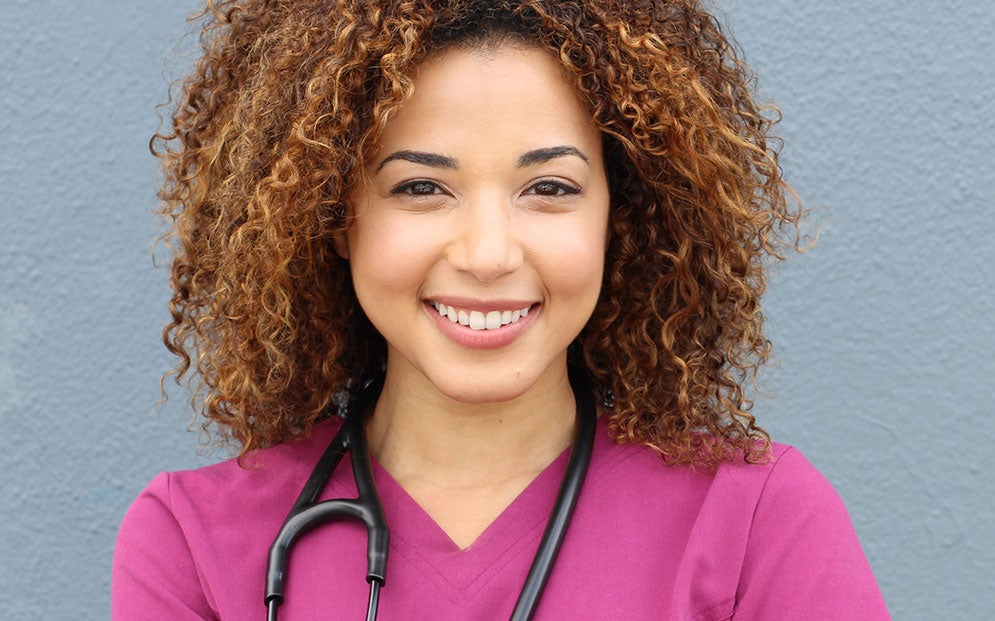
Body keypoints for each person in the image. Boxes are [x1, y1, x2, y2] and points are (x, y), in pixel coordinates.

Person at [110, 0, 889, 618]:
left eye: (549, 188)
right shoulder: (191, 543)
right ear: (333, 216)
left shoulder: (758, 521)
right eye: (421, 187)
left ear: (623, 215)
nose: (488, 253)